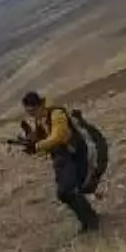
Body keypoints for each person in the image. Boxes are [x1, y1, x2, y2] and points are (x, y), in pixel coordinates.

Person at [20, 91, 100, 233]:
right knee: (66, 193)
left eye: (31, 111)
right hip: (61, 159)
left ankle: (91, 221)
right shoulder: (41, 119)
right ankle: (88, 220)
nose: (31, 115)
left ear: (38, 106)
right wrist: (32, 145)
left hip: (74, 155)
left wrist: (37, 146)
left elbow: (58, 136)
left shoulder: (56, 114)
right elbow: (45, 140)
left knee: (67, 190)